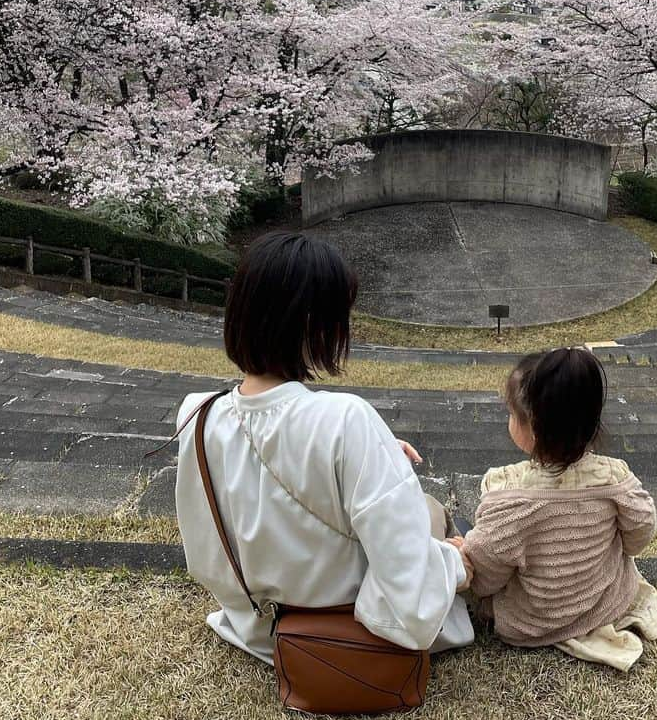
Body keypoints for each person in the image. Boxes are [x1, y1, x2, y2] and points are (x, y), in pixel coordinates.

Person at [174, 232, 473, 666]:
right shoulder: (348, 419)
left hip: (257, 627)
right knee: (428, 510)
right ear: (314, 324)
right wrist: (458, 566)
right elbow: (409, 594)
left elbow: (214, 543)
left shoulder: (196, 415)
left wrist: (375, 452)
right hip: (344, 631)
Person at [449, 348, 657, 671]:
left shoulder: (510, 501)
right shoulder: (616, 479)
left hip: (531, 623)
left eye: (512, 414)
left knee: (462, 532)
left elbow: (485, 580)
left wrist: (466, 551)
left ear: (532, 428)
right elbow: (641, 533)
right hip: (604, 606)